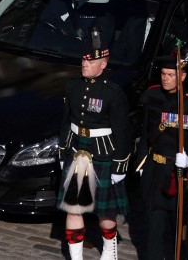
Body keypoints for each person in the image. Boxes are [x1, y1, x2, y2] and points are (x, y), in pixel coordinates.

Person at [57, 28, 131, 260]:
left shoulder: (113, 93)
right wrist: (62, 151)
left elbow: (122, 130)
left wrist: (120, 165)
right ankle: (76, 257)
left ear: (103, 64)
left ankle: (110, 250)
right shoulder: (73, 86)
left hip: (103, 153)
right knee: (73, 208)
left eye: (91, 61)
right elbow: (66, 120)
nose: (85, 64)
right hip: (76, 150)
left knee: (105, 211)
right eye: (83, 59)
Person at [135, 55, 188, 260]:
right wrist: (142, 163)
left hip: (179, 175)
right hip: (155, 171)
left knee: (179, 227)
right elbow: (146, 134)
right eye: (163, 74)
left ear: (183, 76)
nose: (165, 79)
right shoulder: (152, 96)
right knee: (153, 227)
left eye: (170, 75)